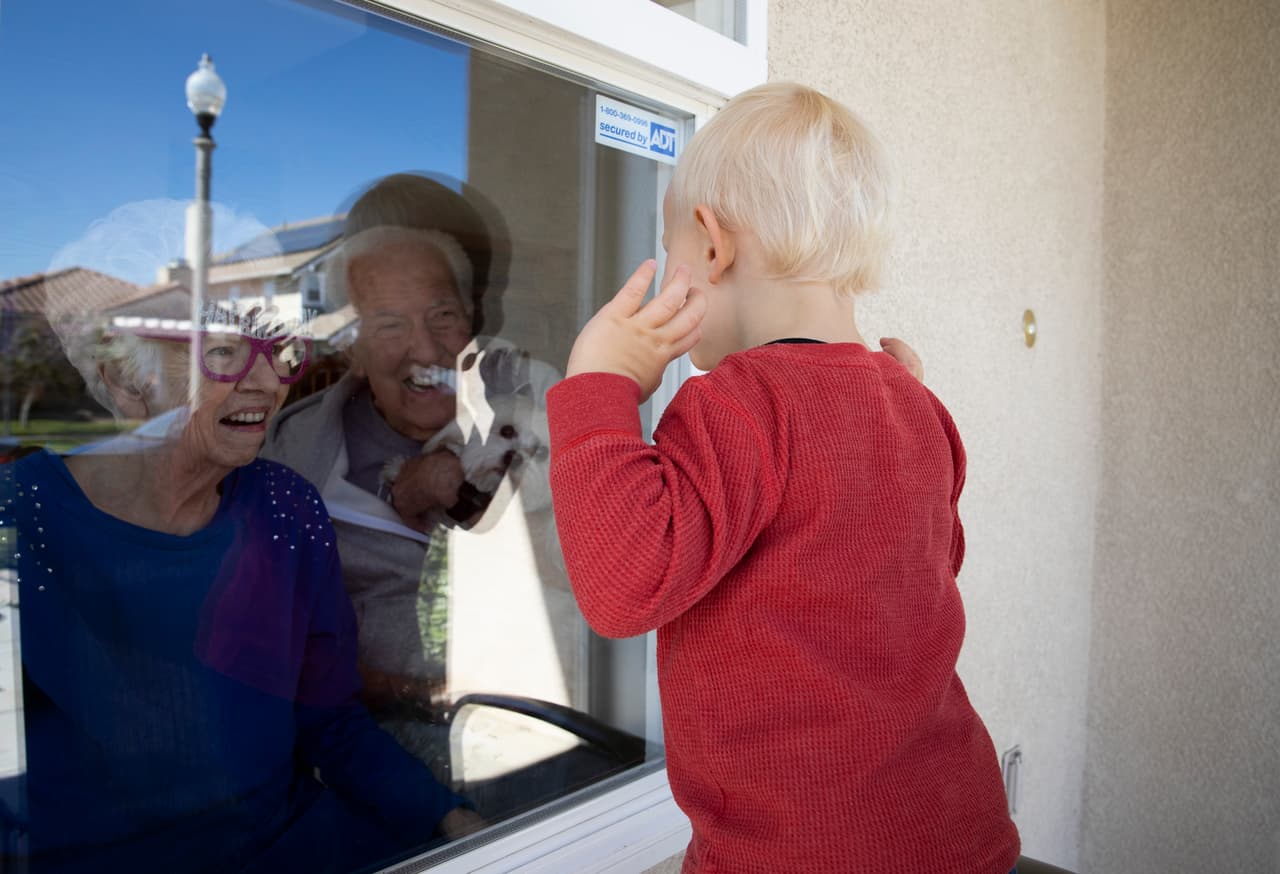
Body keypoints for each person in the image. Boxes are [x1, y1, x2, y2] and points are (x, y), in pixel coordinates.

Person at [546, 82, 1021, 873]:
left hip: (803, 855)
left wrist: (600, 385)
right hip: (960, 829)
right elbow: (931, 570)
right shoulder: (914, 401)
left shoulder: (736, 404)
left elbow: (626, 584)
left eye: (671, 253)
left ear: (711, 244)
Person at [0, 307, 482, 874]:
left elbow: (329, 719)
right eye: (223, 354)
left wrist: (449, 818)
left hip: (291, 844)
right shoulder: (20, 517)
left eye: (278, 354)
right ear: (126, 382)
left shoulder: (286, 507)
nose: (268, 382)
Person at [261, 173, 560, 790]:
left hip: (543, 738)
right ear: (354, 345)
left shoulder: (538, 406)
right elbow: (276, 645)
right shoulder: (293, 456)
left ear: (474, 315)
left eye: (442, 315)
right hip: (373, 756)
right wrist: (412, 692)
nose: (423, 348)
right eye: (389, 324)